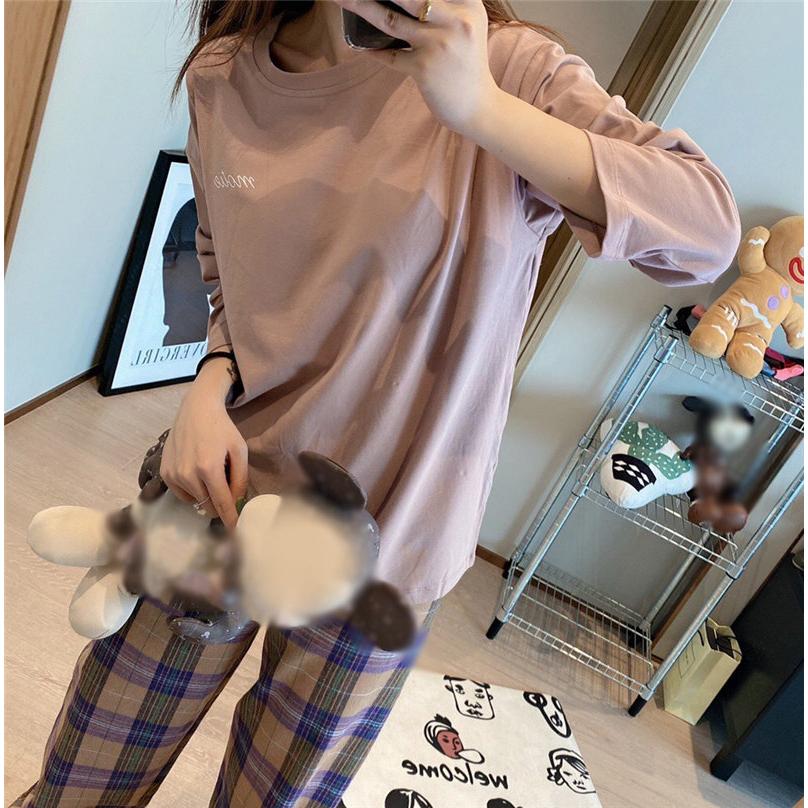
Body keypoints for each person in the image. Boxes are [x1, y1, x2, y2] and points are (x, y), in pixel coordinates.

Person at [14, 1, 740, 806]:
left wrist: (481, 109)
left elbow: (706, 232)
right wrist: (209, 385)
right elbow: (222, 266)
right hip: (222, 488)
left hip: (392, 534)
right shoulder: (225, 75)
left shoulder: (508, 68)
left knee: (280, 795)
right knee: (88, 771)